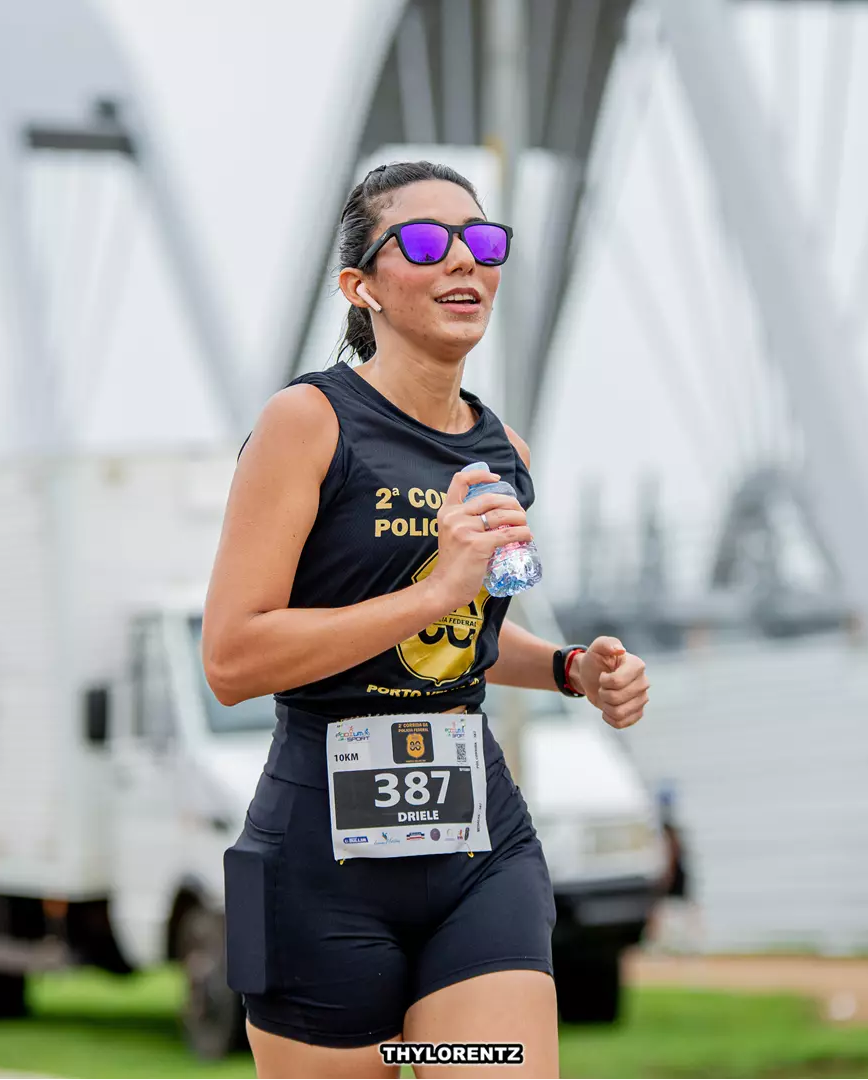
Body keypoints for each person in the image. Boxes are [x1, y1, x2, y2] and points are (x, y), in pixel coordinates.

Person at [201, 160, 651, 1079]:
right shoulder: (307, 422)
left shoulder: (503, 449)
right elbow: (233, 658)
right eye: (422, 240)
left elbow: (457, 642)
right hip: (317, 872)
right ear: (359, 287)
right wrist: (434, 591)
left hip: (476, 856)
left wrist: (568, 668)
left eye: (480, 239)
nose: (462, 260)